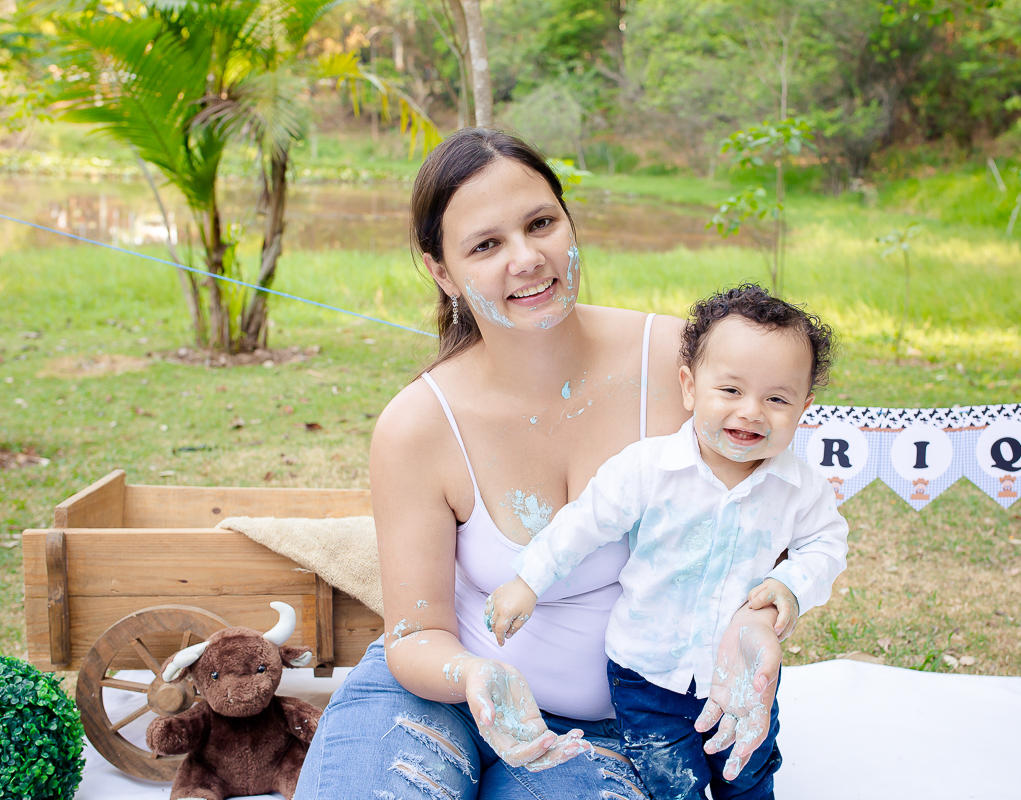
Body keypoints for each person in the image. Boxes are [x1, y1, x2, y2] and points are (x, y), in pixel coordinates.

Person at [294, 128, 796, 800]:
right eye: (485, 245)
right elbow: (418, 635)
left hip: (608, 733)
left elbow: (768, 525)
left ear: (569, 222)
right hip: (433, 696)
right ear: (441, 271)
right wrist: (477, 678)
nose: (527, 258)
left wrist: (756, 620)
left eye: (541, 223)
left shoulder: (684, 367)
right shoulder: (417, 426)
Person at [486, 285, 849, 800]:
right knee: (670, 785)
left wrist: (788, 586)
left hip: (744, 670)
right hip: (648, 672)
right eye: (730, 391)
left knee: (747, 774)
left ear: (804, 407)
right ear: (690, 387)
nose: (751, 412)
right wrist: (528, 579)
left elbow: (827, 545)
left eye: (777, 399)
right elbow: (583, 522)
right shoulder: (649, 469)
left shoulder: (800, 488)